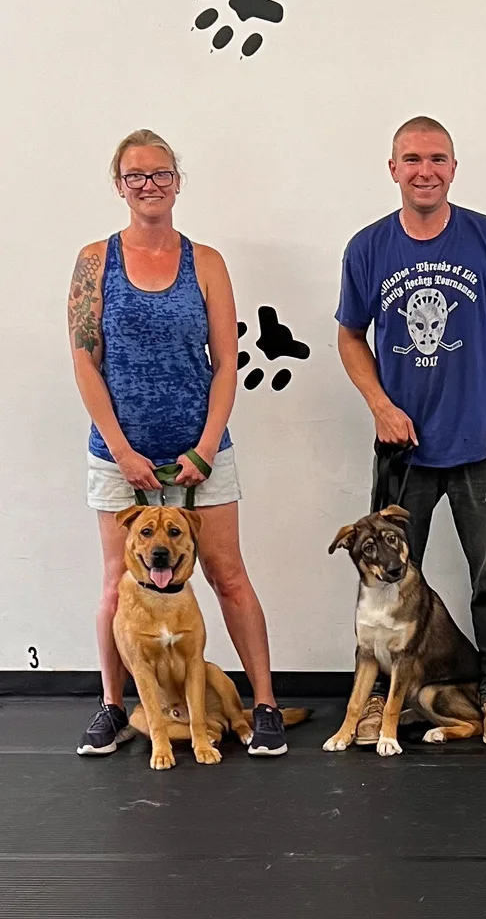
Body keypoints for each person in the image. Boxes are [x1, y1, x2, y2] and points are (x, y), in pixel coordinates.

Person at [68, 129, 289, 757]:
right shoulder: (95, 262)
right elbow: (85, 362)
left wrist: (206, 446)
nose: (149, 184)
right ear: (119, 185)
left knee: (228, 575)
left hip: (202, 452)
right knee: (118, 582)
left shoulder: (206, 262)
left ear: (177, 181)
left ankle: (264, 705)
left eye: (160, 173)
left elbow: (227, 362)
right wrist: (121, 451)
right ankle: (114, 707)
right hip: (118, 455)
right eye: (135, 175)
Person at [335, 116, 486, 747]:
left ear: (454, 168)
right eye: (413, 159)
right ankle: (376, 701)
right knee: (384, 575)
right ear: (393, 169)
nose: (426, 171)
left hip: (482, 442)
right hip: (403, 450)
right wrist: (379, 404)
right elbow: (349, 336)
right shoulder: (367, 249)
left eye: (438, 159)